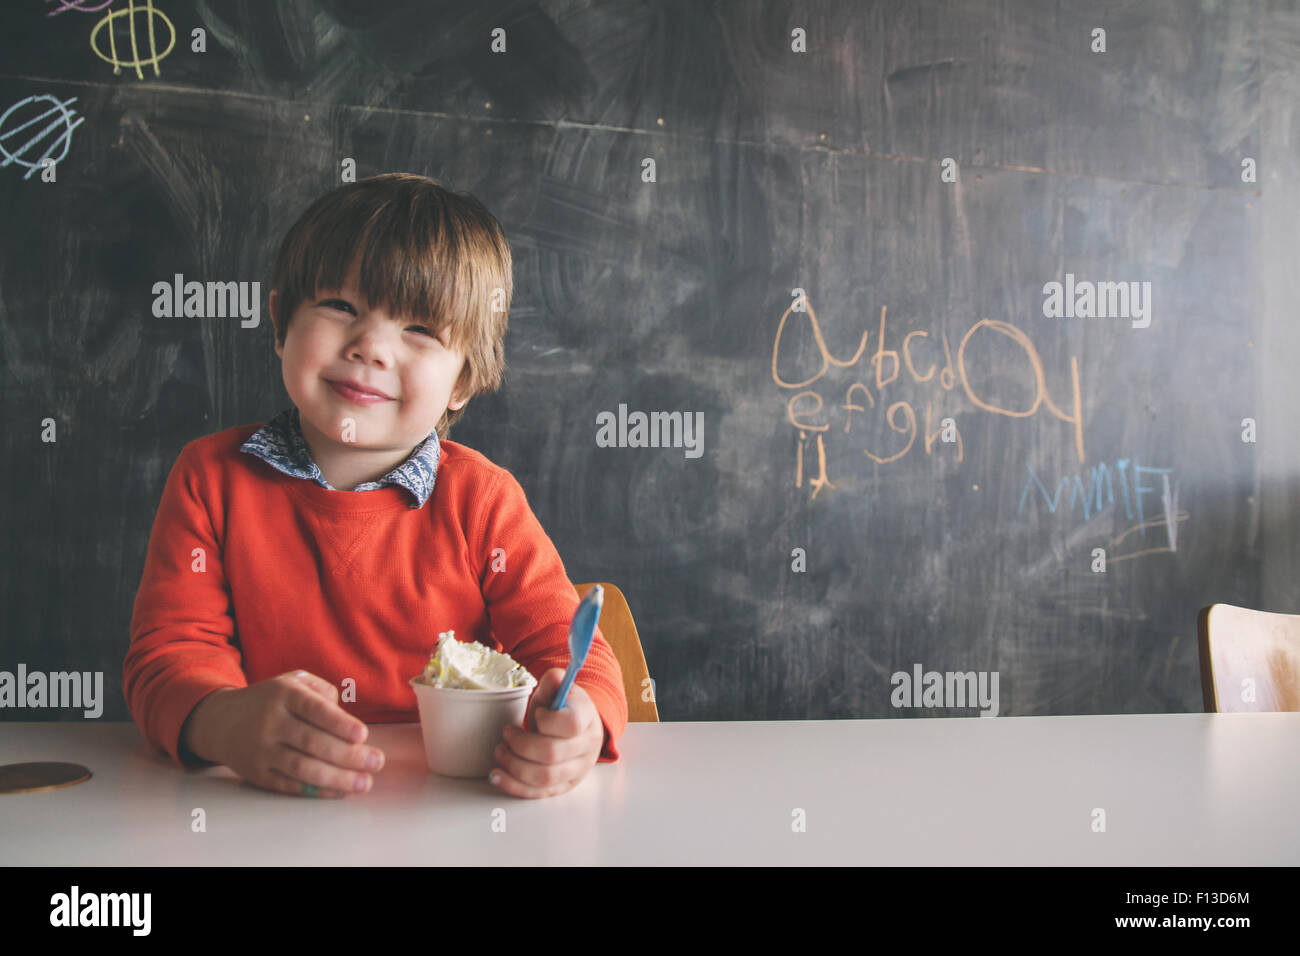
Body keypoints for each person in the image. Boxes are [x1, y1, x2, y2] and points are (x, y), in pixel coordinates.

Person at [124, 173, 627, 800]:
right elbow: (168, 655)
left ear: (464, 381)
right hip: (257, 808)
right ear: (280, 320)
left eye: (420, 330)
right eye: (340, 307)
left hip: (451, 811)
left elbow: (568, 646)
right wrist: (224, 723)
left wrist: (578, 724)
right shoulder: (210, 478)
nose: (371, 348)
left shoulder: (483, 501)